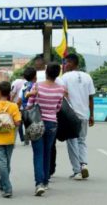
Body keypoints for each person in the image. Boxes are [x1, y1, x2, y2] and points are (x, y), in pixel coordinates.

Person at [27, 62, 65, 196]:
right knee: (47, 152)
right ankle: (46, 181)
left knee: (38, 153)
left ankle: (39, 184)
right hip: (52, 123)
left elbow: (30, 104)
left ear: (46, 72)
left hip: (37, 122)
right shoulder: (61, 89)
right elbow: (58, 108)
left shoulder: (37, 86)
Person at [62, 53, 95, 180]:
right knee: (81, 140)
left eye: (66, 63)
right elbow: (91, 97)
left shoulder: (65, 77)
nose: (64, 65)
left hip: (71, 115)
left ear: (72, 63)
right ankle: (84, 164)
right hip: (84, 115)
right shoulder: (88, 77)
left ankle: (77, 170)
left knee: (72, 142)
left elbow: (62, 95)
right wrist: (91, 115)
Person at [0, 81, 21, 198]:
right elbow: (17, 122)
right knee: (7, 162)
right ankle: (3, 183)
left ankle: (7, 188)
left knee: (2, 163)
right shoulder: (14, 106)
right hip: (10, 138)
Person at [17, 67, 38, 145]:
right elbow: (27, 95)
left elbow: (20, 99)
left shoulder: (25, 85)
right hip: (33, 108)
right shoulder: (34, 85)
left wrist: (17, 108)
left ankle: (26, 139)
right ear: (35, 76)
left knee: (27, 124)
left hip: (25, 108)